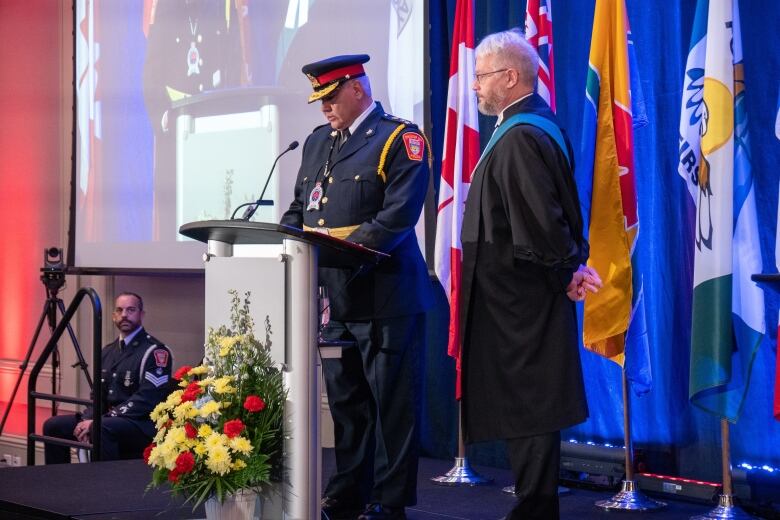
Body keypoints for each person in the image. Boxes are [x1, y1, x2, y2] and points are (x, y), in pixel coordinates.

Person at [280, 54, 432, 520]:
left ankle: (389, 501)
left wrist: (344, 255)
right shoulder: (318, 142)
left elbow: (397, 217)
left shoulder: (398, 139)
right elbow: (300, 208)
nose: (323, 108)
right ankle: (347, 493)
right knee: (347, 408)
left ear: (356, 90)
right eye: (319, 100)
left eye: (329, 98)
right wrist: (283, 239)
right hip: (335, 298)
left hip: (385, 296)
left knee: (392, 407)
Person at [459, 30, 601, 520]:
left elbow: (541, 219)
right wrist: (569, 267)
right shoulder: (525, 126)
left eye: (480, 77)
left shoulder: (521, 135)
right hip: (520, 295)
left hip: (521, 298)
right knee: (528, 404)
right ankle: (532, 505)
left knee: (533, 405)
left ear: (510, 76)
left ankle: (535, 510)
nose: (474, 86)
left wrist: (567, 269)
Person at [43, 292, 173, 464]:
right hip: (109, 420)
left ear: (141, 314)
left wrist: (100, 420)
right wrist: (87, 419)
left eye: (131, 310)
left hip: (140, 424)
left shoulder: (155, 351)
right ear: (114, 316)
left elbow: (147, 400)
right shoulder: (108, 351)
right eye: (119, 310)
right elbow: (98, 395)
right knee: (53, 426)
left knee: (101, 428)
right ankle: (60, 484)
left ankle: (103, 486)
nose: (124, 315)